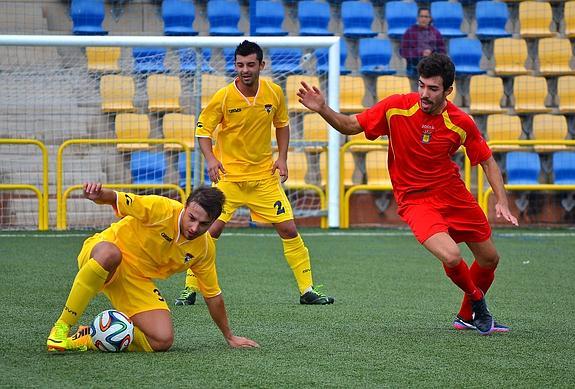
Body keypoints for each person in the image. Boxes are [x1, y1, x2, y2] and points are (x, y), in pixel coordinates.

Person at [297, 53, 518, 335]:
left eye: (433, 88)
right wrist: (323, 109)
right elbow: (350, 126)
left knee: (490, 259)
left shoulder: (460, 123)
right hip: (415, 200)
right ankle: (478, 302)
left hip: (453, 195)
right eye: (421, 85)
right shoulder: (396, 107)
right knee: (451, 256)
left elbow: (487, 160)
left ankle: (466, 317)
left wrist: (501, 200)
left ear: (448, 91)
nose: (424, 93)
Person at [175, 40, 334, 306]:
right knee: (207, 231)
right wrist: (212, 159)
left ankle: (307, 290)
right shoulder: (224, 97)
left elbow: (282, 126)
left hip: (264, 178)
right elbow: (203, 131)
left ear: (262, 65)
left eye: (250, 64)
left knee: (289, 229)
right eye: (239, 65)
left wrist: (282, 158)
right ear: (235, 66)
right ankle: (189, 289)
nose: (245, 70)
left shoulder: (273, 92)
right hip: (228, 179)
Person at [46, 182, 259, 352]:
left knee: (161, 339)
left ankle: (88, 337)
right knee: (111, 254)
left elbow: (213, 296)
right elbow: (119, 198)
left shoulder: (203, 249)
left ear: (213, 222)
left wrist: (229, 336)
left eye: (204, 224)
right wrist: (97, 194)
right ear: (185, 208)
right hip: (102, 253)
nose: (195, 228)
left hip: (135, 278)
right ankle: (62, 327)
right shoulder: (161, 208)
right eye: (192, 218)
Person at [400, 7, 446, 85]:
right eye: (421, 16)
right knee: (416, 94)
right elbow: (403, 51)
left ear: (430, 18)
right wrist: (420, 53)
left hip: (432, 67)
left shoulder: (436, 32)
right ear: (417, 18)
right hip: (414, 67)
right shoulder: (410, 32)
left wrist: (432, 53)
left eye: (426, 16)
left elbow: (442, 51)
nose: (423, 19)